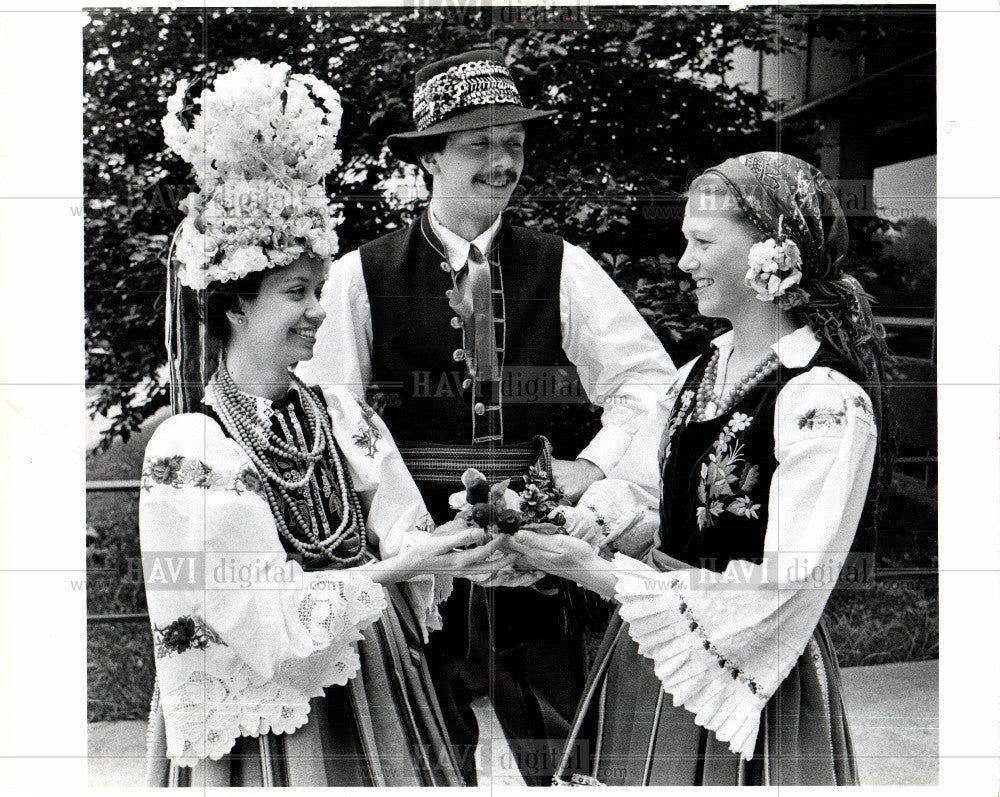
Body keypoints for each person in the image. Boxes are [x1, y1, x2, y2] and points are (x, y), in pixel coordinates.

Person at [297, 48, 675, 785]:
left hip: (540, 550)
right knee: (429, 750)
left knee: (565, 743)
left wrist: (593, 468)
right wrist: (408, 539)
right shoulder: (360, 275)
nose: (503, 161)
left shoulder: (561, 264)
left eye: (515, 144)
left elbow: (647, 382)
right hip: (426, 556)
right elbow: (331, 420)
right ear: (430, 159)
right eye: (479, 144)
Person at [141, 59, 511, 787]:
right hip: (273, 709)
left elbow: (397, 528)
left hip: (379, 674)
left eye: (319, 286)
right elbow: (251, 611)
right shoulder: (192, 449)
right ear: (235, 306)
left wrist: (452, 542)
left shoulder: (339, 413)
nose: (318, 307)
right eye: (295, 292)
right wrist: (398, 567)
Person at [506, 152, 893, 785]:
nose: (685, 262)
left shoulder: (822, 399)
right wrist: (561, 528)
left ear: (773, 251)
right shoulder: (694, 376)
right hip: (653, 648)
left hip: (744, 667)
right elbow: (640, 497)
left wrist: (601, 577)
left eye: (702, 242)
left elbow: (783, 584)